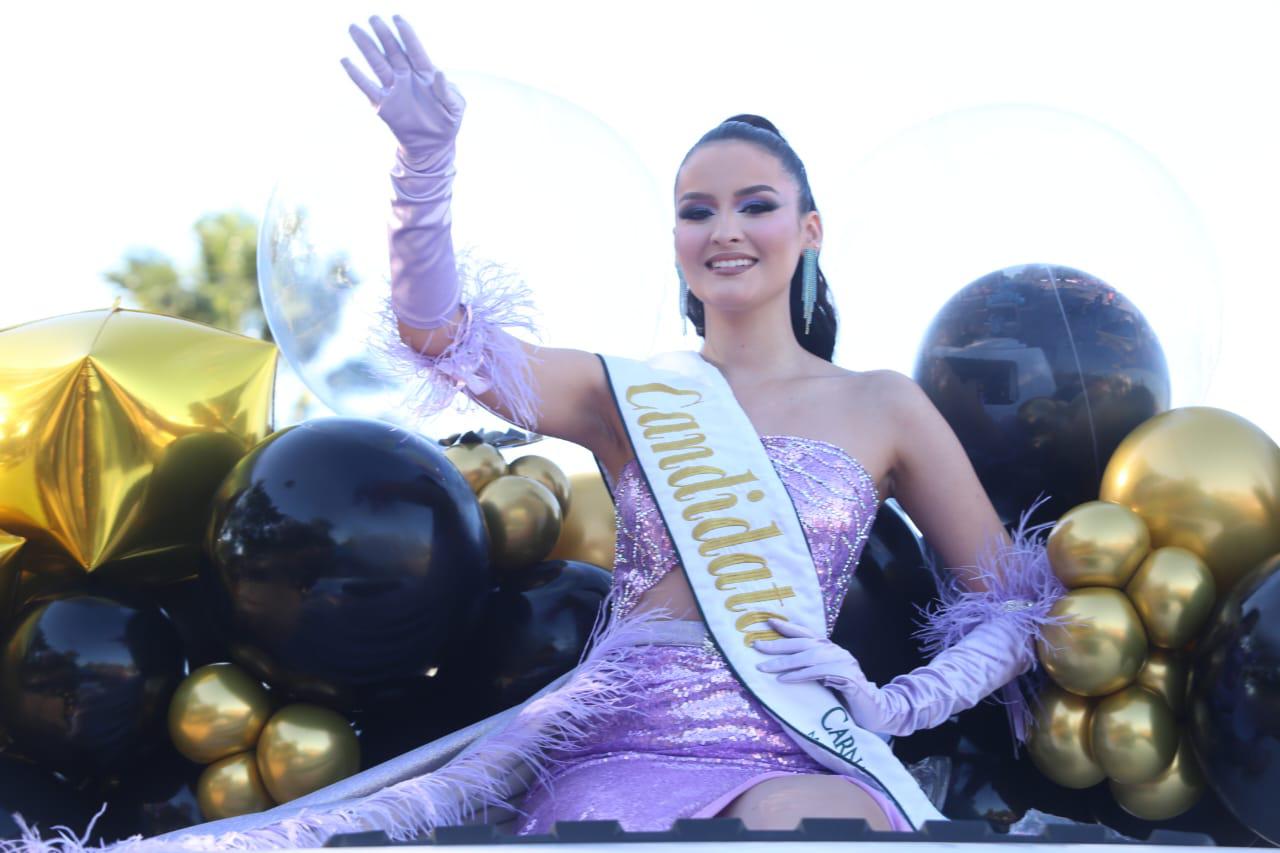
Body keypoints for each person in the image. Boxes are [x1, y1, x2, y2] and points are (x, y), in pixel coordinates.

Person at [1, 14, 1064, 851]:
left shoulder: (881, 404)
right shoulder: (628, 393)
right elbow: (440, 337)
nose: (724, 230)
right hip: (621, 730)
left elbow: (1010, 602)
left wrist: (889, 699)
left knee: (821, 828)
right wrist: (425, 163)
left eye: (754, 204)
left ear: (807, 228)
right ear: (677, 239)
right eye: (696, 210)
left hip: (791, 730)